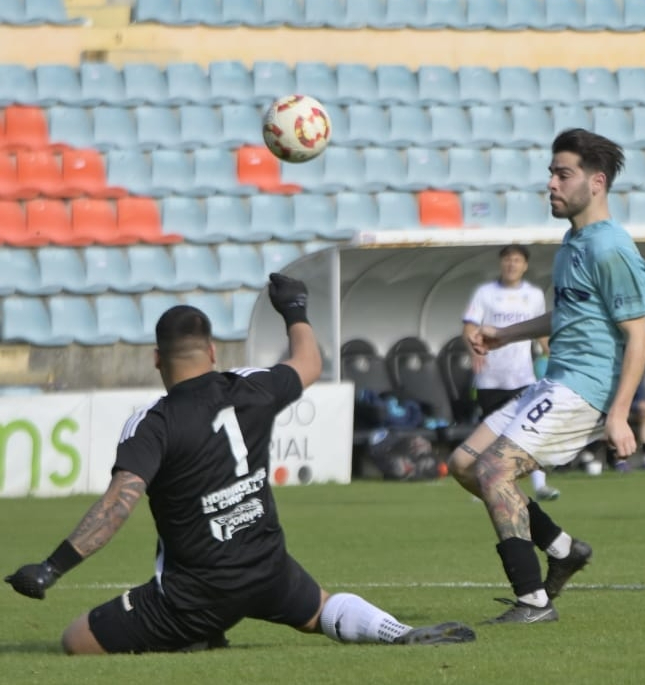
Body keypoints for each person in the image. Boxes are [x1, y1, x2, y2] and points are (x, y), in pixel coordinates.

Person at [4, 276, 475, 652]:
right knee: (319, 609)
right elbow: (309, 362)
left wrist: (51, 568)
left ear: (155, 359)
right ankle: (392, 631)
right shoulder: (251, 387)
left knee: (75, 639)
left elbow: (117, 505)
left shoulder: (152, 423)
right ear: (212, 352)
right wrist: (294, 308)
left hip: (195, 594)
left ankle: (193, 634)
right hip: (268, 570)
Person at [455, 128, 645, 624]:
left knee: (494, 470)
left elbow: (640, 335)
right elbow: (567, 315)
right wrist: (505, 335)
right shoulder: (573, 243)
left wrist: (621, 415)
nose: (552, 184)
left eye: (563, 174)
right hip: (554, 380)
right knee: (464, 463)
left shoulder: (611, 248)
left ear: (597, 182)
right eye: (551, 173)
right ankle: (562, 550)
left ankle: (533, 601)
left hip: (584, 389)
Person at [462, 243, 561, 500]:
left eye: (516, 260)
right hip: (490, 376)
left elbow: (540, 329)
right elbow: (470, 326)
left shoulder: (534, 294)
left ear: (524, 265)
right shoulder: (485, 293)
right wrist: (474, 351)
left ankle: (540, 485)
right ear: (500, 263)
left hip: (522, 375)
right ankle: (484, 482)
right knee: (490, 433)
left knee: (529, 428)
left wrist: (551, 353)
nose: (511, 264)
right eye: (507, 260)